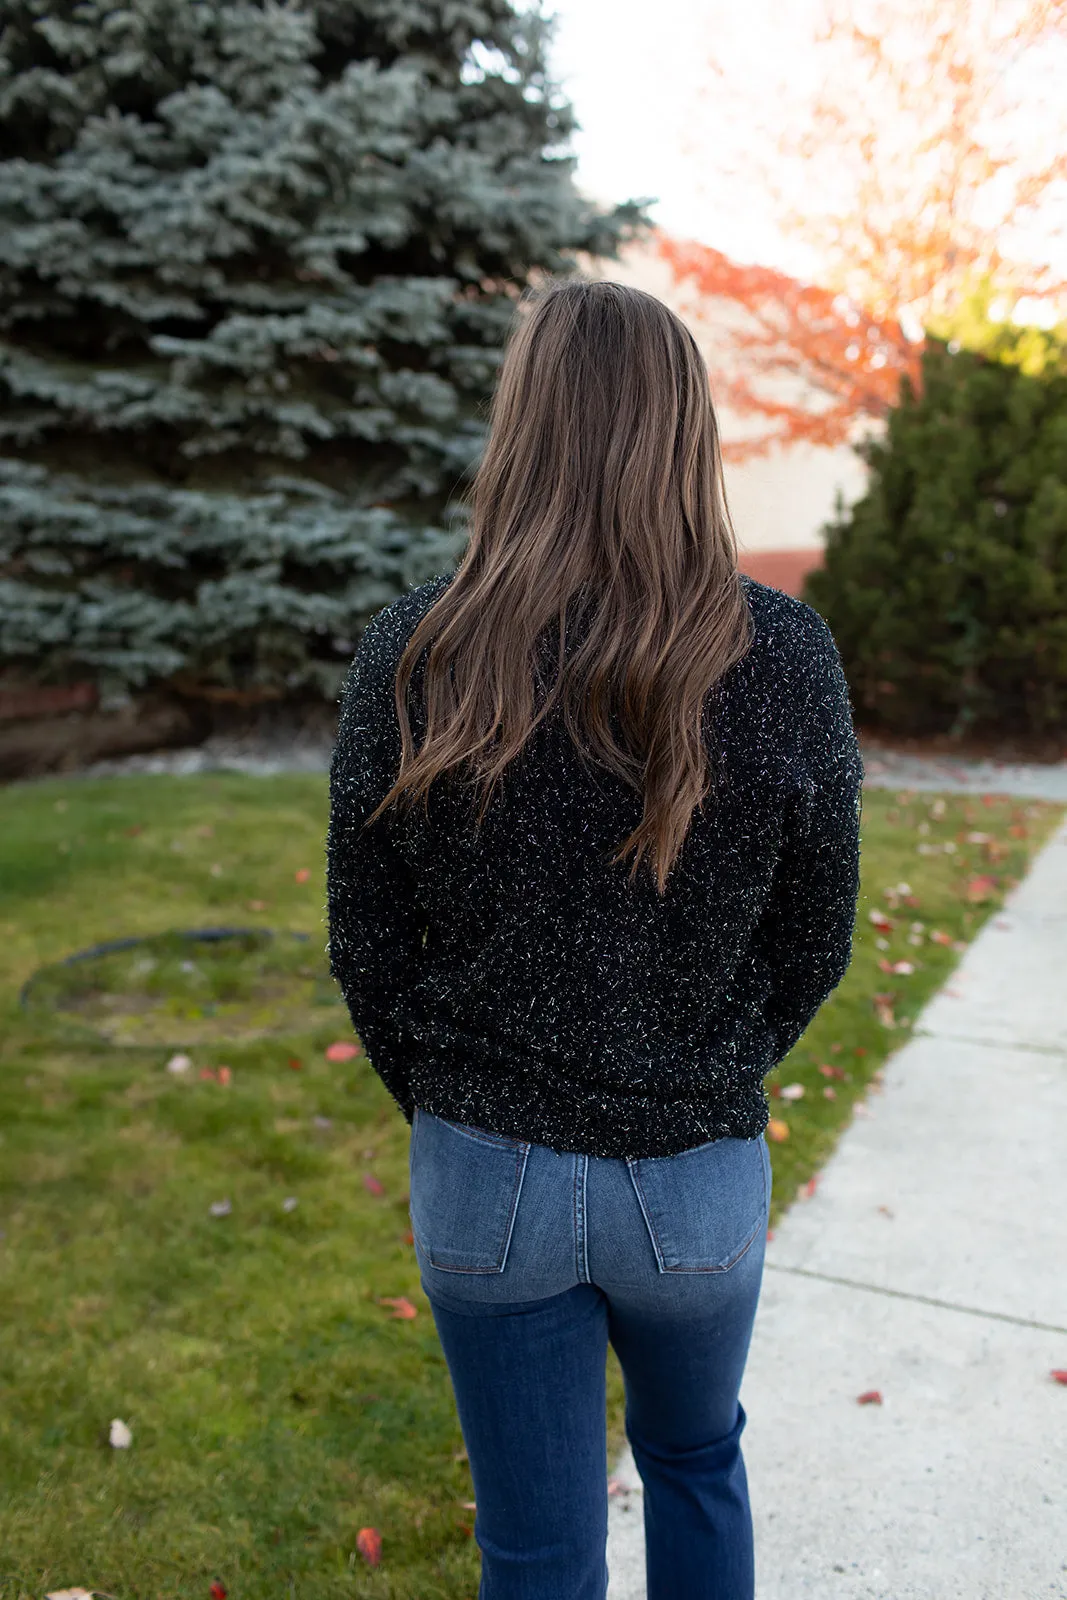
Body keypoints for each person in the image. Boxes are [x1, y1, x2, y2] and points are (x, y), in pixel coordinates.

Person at [326, 276, 863, 1600]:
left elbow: (368, 944)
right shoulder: (782, 654)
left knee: (536, 1547)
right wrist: (716, 1058)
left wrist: (455, 1094)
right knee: (692, 1461)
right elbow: (817, 935)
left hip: (481, 1176)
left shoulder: (414, 649)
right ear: (685, 434)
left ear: (521, 427)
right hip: (689, 1178)